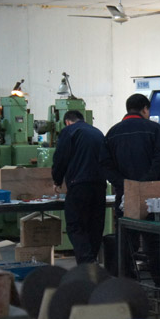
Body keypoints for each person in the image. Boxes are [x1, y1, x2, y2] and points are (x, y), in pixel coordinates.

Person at [101, 93, 160, 279]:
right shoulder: (154, 129)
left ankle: (126, 282)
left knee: (125, 239)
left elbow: (105, 164)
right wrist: (145, 183)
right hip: (152, 196)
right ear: (145, 109)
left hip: (124, 195)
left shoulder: (113, 132)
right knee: (154, 240)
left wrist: (124, 184)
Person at [51, 110, 107, 264]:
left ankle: (86, 264)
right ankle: (92, 262)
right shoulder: (98, 132)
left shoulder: (69, 131)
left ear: (67, 122)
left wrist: (57, 180)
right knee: (95, 226)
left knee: (75, 225)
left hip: (79, 185)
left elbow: (61, 158)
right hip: (100, 185)